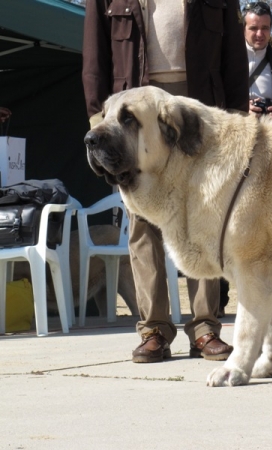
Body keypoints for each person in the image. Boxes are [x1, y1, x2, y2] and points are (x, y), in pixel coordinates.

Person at [82, 0, 248, 363]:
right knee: (142, 223)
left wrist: (236, 120)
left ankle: (205, 327)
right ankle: (154, 329)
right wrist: (101, 124)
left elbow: (234, 54)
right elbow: (94, 59)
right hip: (132, 121)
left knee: (207, 217)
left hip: (199, 114)